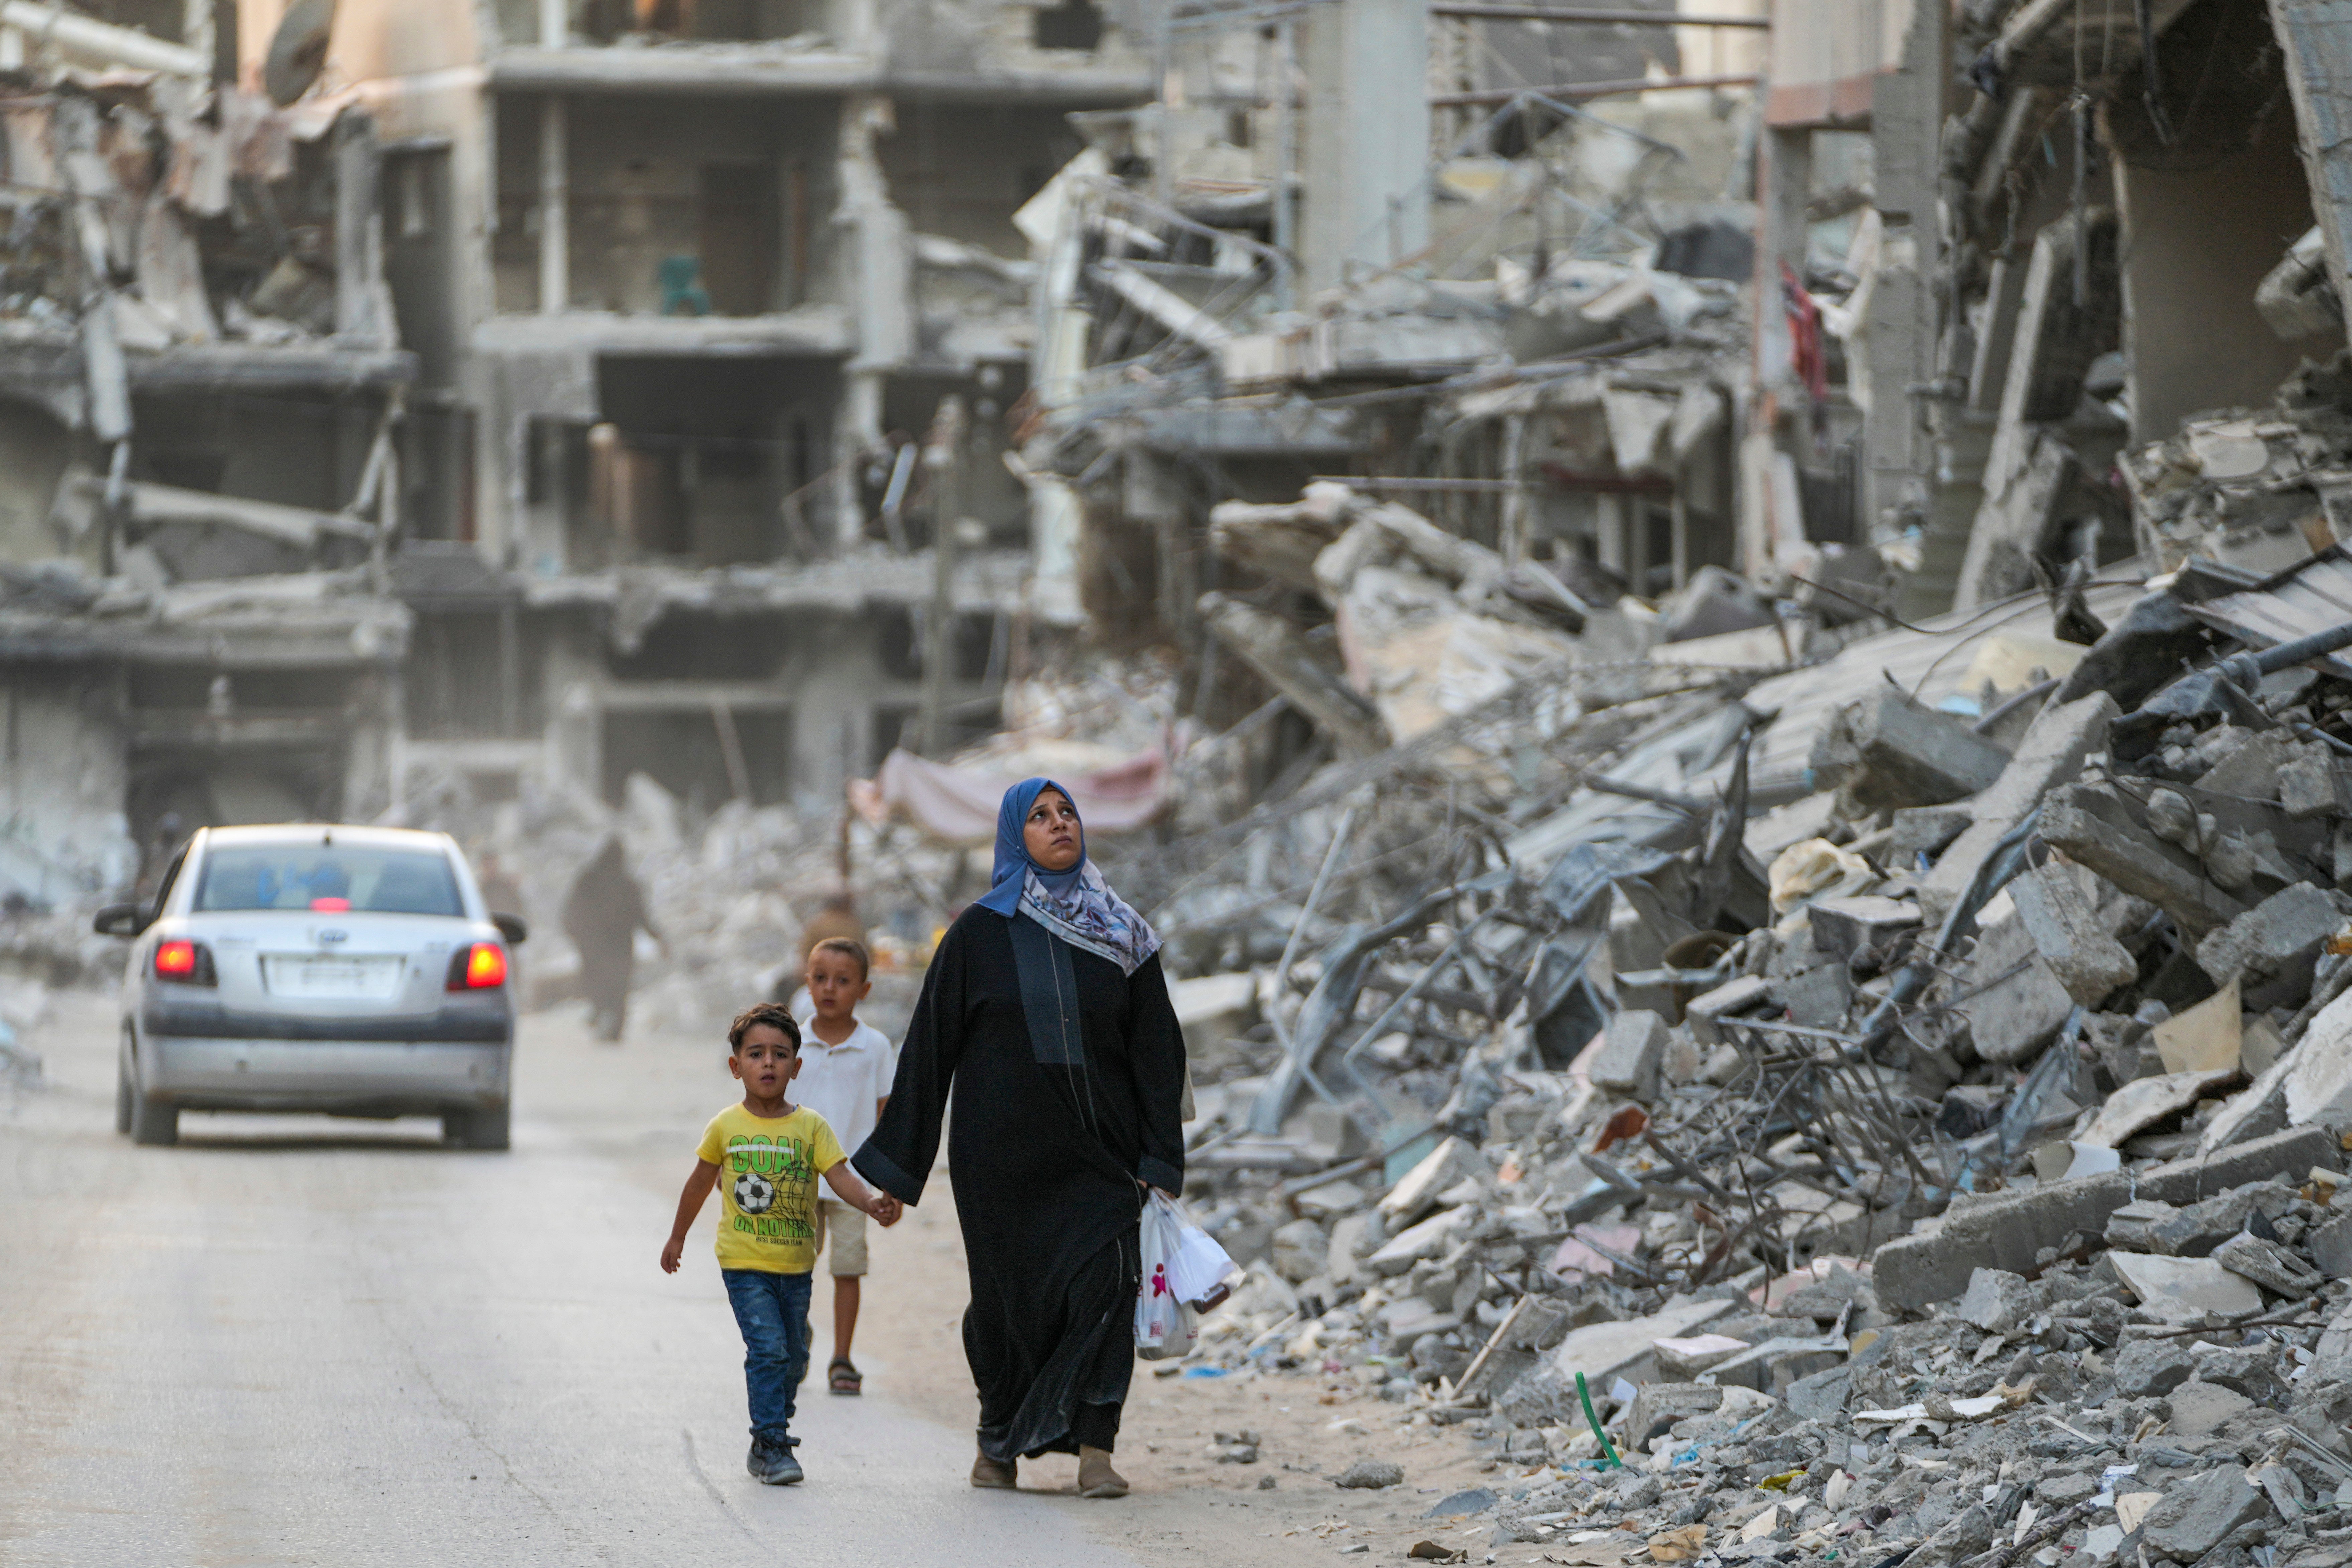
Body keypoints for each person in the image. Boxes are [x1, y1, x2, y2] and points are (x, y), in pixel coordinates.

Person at [850, 779, 1185, 1499]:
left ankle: (1096, 1447)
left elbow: (1159, 1050)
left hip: (1101, 1155)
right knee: (1007, 1302)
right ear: (1012, 836)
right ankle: (997, 1439)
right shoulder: (977, 931)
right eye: (1038, 815)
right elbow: (930, 1047)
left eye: (1067, 812)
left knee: (1104, 1287)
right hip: (999, 1160)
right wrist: (898, 1168)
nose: (1058, 823)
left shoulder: (1124, 930)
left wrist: (1159, 1156)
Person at [660, 1002, 902, 1485]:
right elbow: (698, 1183)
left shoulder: (811, 1126)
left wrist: (871, 1201)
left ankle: (774, 1417)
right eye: (756, 1053)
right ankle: (770, 1442)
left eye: (780, 1053)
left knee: (793, 1357)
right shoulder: (726, 1126)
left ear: (797, 1066)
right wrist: (678, 1234)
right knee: (768, 1349)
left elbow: (840, 1176)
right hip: (743, 1262)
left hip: (796, 1264)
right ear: (736, 1066)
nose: (768, 1062)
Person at [792, 936, 896, 1396]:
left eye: (843, 980)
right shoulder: (791, 1040)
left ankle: (842, 1357)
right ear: (806, 981)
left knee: (848, 1268)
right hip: (797, 1180)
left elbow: (886, 1115)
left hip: (856, 1184)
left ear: (864, 990)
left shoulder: (874, 1047)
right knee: (792, 1268)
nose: (829, 988)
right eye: (820, 978)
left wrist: (891, 1182)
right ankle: (796, 1340)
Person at [562, 835, 661, 1042]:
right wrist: (658, 937)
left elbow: (572, 909)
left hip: (593, 945)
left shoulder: (588, 879)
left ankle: (600, 1012)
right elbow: (642, 916)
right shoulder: (629, 885)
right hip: (620, 945)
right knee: (620, 987)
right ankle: (614, 1026)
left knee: (597, 981)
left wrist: (575, 934)